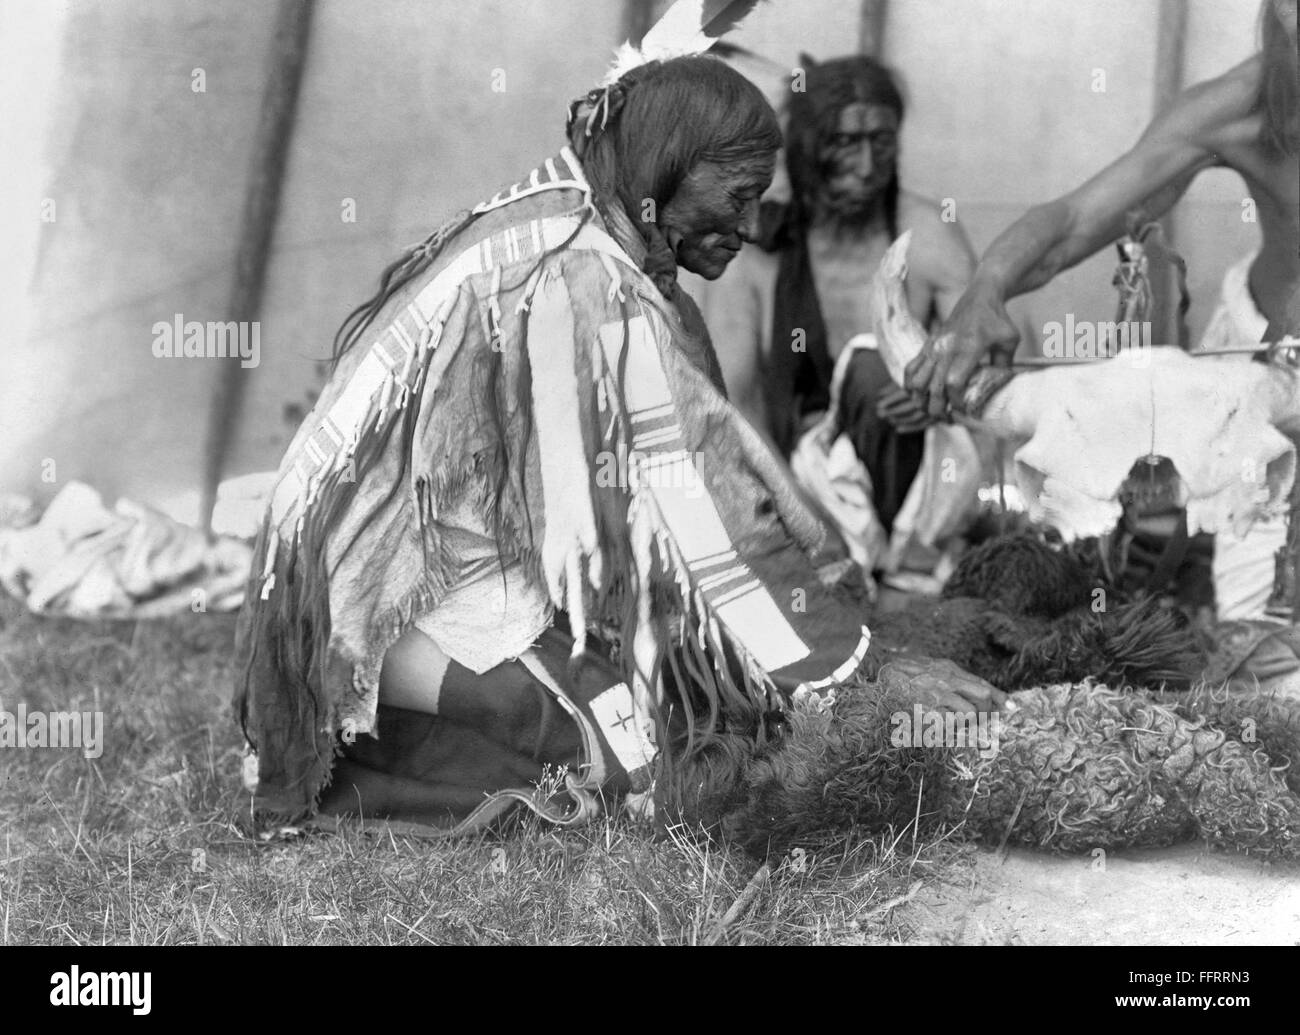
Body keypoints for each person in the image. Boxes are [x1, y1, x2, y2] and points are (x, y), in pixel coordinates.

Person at [233, 51, 1003, 837]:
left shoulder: (584, 217)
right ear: (667, 169)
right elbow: (701, 506)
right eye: (736, 198)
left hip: (445, 562)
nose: (746, 227)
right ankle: (347, 736)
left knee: (689, 693)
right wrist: (864, 669)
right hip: (361, 603)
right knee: (636, 753)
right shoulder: (585, 275)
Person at [907, 0, 1299, 620]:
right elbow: (1070, 224)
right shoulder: (1233, 108)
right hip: (1257, 375)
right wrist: (987, 288)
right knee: (1263, 644)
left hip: (1272, 370)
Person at [691, 55, 985, 584]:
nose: (868, 166)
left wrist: (939, 397)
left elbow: (984, 369)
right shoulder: (757, 245)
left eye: (882, 141)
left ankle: (900, 562)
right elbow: (734, 404)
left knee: (875, 374)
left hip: (910, 504)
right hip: (785, 487)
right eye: (846, 143)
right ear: (804, 147)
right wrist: (807, 525)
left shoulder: (929, 234)